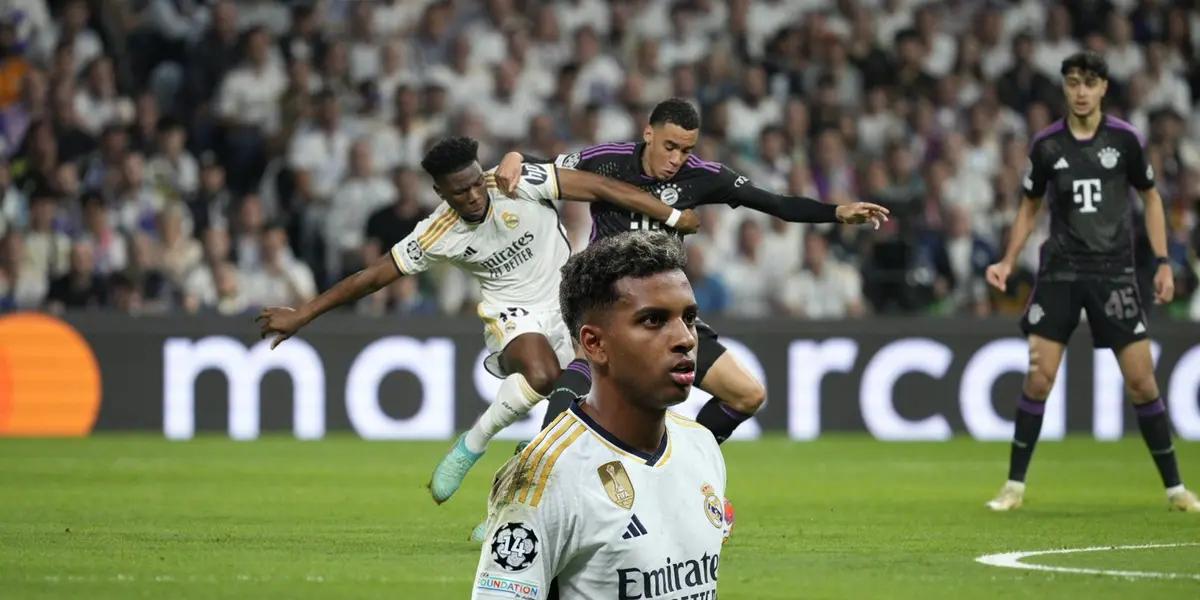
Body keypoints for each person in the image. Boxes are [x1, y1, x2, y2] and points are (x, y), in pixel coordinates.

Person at [256, 136, 699, 504]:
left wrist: (672, 215)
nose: (471, 196)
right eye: (458, 192)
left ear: (480, 172)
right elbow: (373, 276)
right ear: (440, 195)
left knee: (586, 415)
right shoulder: (438, 231)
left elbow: (602, 189)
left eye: (473, 184)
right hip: (512, 313)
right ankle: (474, 444)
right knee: (543, 375)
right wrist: (305, 314)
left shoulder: (520, 181)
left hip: (570, 303)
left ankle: (509, 504)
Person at [496, 98, 888, 446]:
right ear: (648, 134)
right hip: (606, 300)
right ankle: (534, 462)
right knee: (588, 371)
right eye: (670, 146)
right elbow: (544, 170)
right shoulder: (608, 160)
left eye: (685, 150)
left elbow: (776, 203)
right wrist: (515, 157)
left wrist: (836, 212)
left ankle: (684, 466)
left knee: (746, 394)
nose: (676, 159)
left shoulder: (701, 176)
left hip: (665, 311)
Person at [984, 52, 1199, 512]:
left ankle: (1176, 489)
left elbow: (1152, 200)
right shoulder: (1046, 146)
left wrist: (1162, 262)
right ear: (1064, 88)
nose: (1081, 92)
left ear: (1104, 88)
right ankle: (1014, 487)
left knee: (1142, 382)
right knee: (1039, 378)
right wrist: (1007, 259)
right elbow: (1029, 206)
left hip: (1114, 273)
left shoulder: (1125, 141)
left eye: (1089, 83)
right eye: (1073, 83)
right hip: (1061, 271)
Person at [471, 231, 727, 599]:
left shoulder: (702, 446)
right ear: (594, 343)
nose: (685, 337)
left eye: (688, 317)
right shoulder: (543, 478)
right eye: (654, 320)